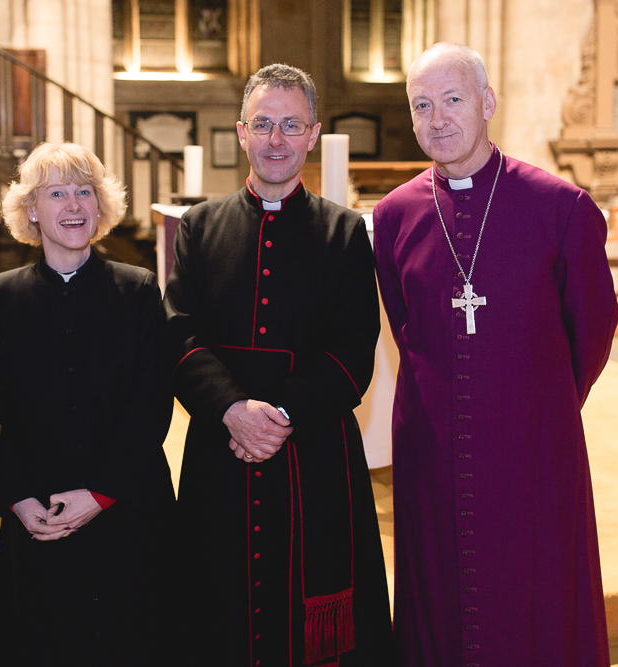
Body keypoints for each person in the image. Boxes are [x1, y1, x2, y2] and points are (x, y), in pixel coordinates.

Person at [373, 42, 618, 667]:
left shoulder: (561, 207)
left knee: (533, 590)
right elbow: (408, 329)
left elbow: (591, 328)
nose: (438, 119)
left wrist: (535, 400)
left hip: (535, 445)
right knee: (441, 593)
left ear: (487, 103)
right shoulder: (394, 216)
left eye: (453, 100)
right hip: (432, 448)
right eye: (421, 106)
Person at [164, 63, 395, 665]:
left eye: (290, 126)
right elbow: (180, 335)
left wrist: (281, 415)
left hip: (313, 453)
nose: (275, 139)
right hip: (221, 448)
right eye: (263, 124)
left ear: (313, 135)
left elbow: (353, 348)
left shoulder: (345, 234)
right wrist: (232, 410)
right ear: (241, 132)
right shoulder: (199, 227)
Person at [0, 142, 177, 666]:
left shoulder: (137, 289)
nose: (73, 206)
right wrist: (17, 498)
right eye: (57, 193)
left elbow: (152, 403)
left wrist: (102, 493)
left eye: (84, 192)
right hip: (37, 512)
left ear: (101, 205)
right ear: (31, 210)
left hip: (127, 509)